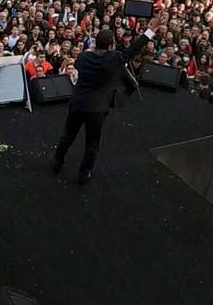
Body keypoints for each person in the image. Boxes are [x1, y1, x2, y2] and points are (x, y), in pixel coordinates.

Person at [52, 13, 163, 184]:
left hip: (78, 103)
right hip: (98, 108)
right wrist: (150, 30)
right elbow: (133, 49)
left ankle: (57, 162)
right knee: (92, 143)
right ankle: (84, 173)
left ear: (96, 43)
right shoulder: (115, 59)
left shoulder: (83, 57)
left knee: (67, 135)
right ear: (111, 45)